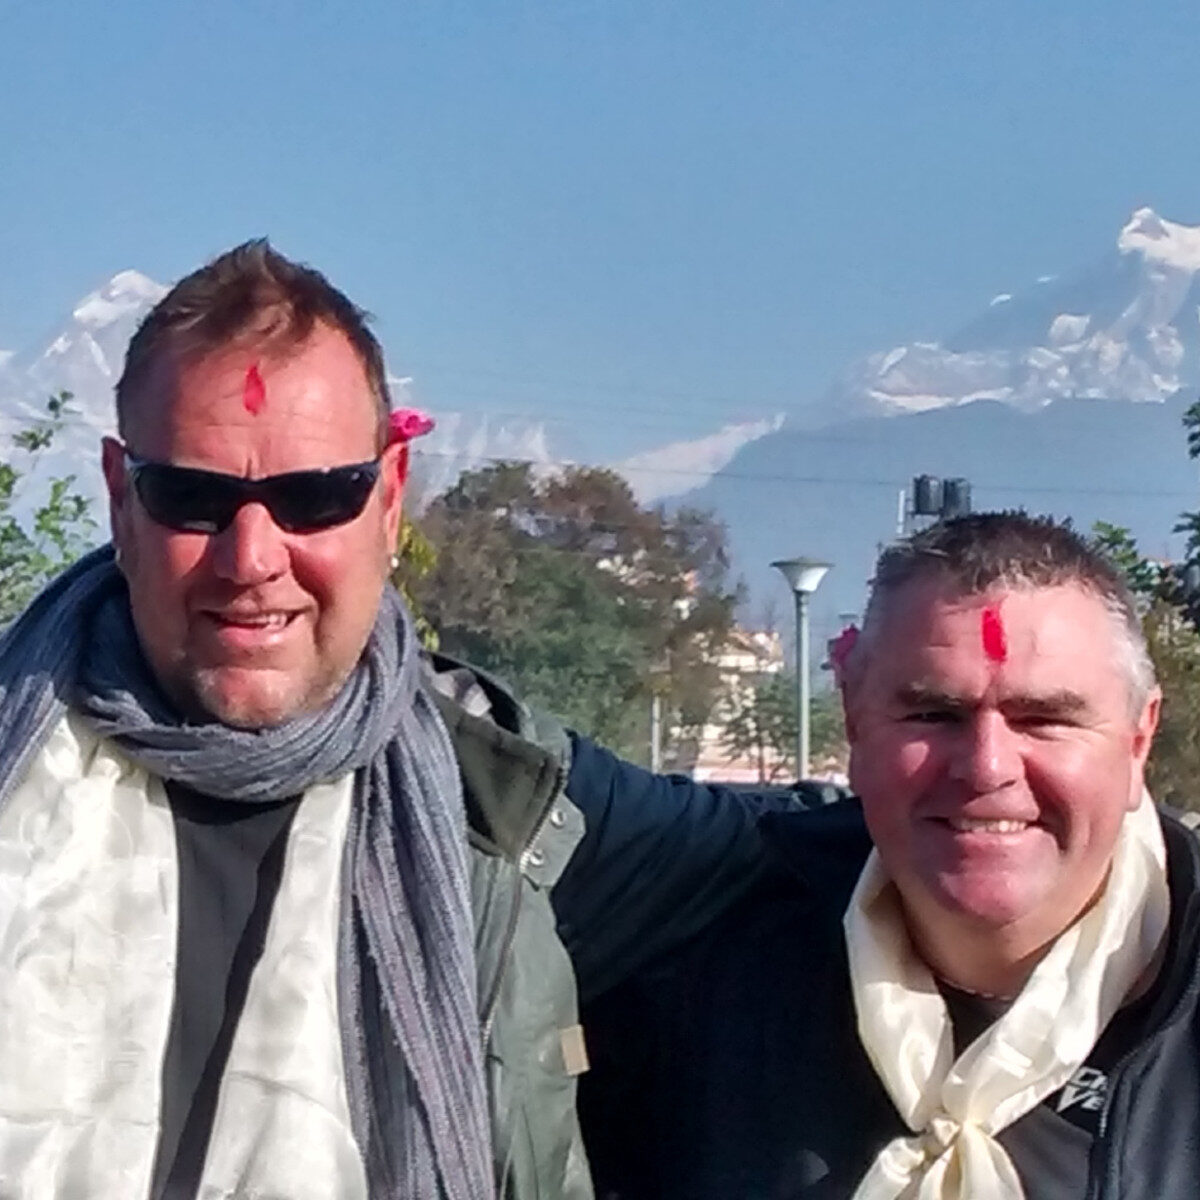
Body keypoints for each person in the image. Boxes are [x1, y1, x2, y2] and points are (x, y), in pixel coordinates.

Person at [0, 240, 775, 1200]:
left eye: (313, 498)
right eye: (194, 498)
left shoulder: (502, 809)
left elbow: (826, 861)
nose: (252, 558)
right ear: (122, 497)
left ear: (389, 493)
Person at [579, 512, 1200, 1200]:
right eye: (934, 715)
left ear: (1140, 737)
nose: (988, 766)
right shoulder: (702, 951)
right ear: (853, 719)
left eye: (1044, 718)